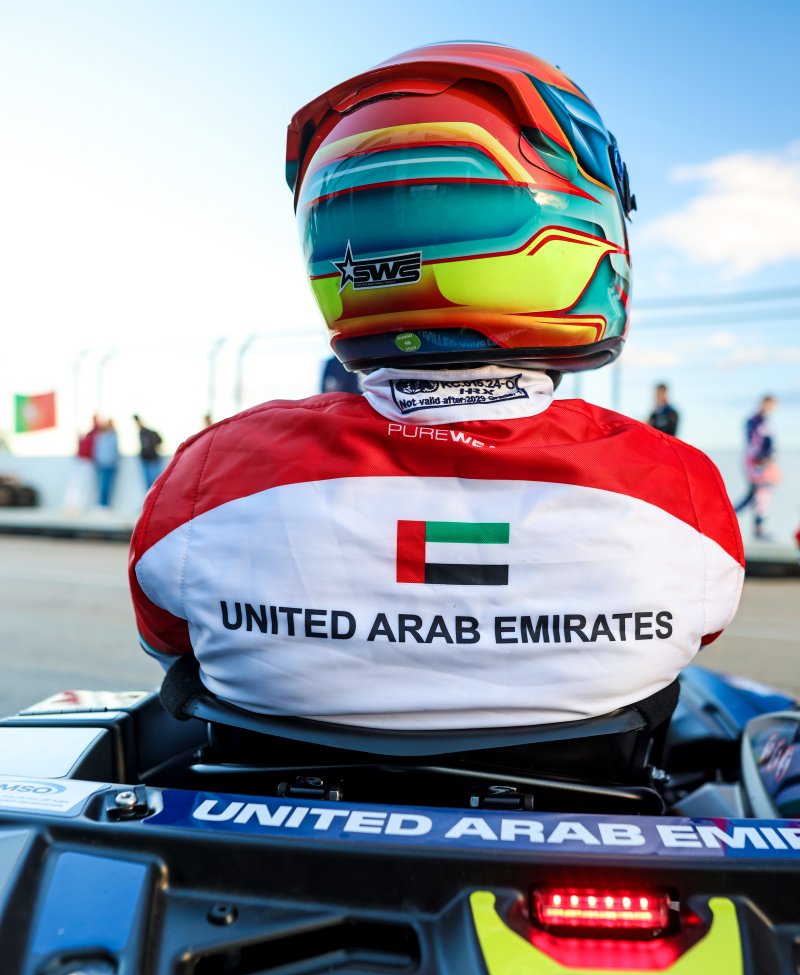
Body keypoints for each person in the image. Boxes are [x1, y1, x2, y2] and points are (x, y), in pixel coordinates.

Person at [129, 43, 743, 734]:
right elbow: (693, 638)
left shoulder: (210, 475)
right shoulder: (676, 487)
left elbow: (171, 644)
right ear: (578, 227)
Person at [735, 394, 780, 540]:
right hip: (757, 463)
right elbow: (754, 444)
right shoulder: (754, 421)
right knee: (758, 494)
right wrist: (760, 459)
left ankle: (756, 529)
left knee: (757, 495)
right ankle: (728, 519)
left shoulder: (765, 421)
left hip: (762, 462)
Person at [93, 418, 119, 509]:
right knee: (102, 485)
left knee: (108, 486)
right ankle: (102, 504)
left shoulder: (114, 436)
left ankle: (105, 505)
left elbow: (115, 450)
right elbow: (98, 450)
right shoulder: (102, 436)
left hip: (110, 464)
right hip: (102, 464)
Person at [133, 414, 163, 491]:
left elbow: (160, 441)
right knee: (149, 485)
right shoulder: (141, 433)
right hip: (146, 460)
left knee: (155, 483)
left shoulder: (148, 432)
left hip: (153, 460)